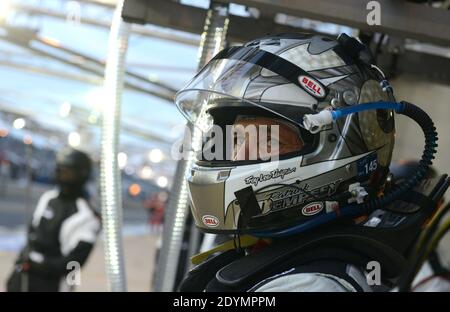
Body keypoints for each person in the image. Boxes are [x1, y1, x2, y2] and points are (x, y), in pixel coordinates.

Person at [173, 33, 449, 292]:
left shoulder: (309, 285)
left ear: (334, 147)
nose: (238, 156)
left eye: (269, 141)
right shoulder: (284, 252)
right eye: (236, 140)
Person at [6, 148, 101, 292]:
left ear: (81, 175)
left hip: (54, 284)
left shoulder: (88, 217)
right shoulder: (48, 198)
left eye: (67, 172)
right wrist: (19, 268)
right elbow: (32, 235)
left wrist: (38, 265)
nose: (61, 176)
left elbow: (73, 265)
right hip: (25, 277)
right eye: (59, 170)